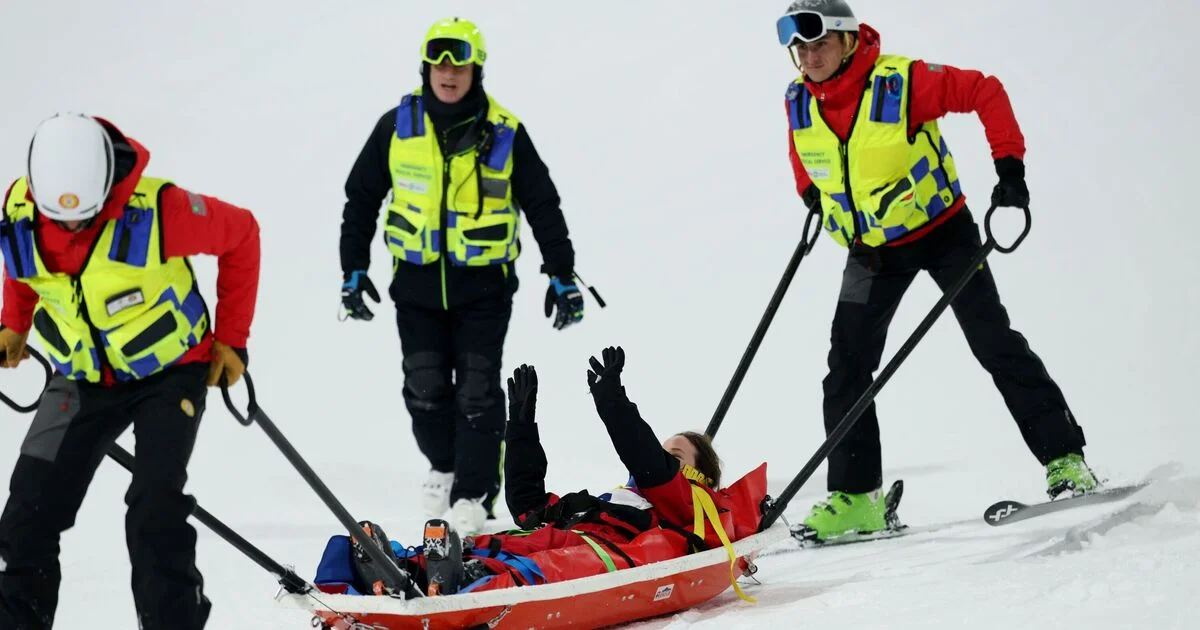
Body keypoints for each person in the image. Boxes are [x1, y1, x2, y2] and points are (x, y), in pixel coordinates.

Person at [774, 0, 1097, 541]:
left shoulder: (901, 83)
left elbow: (984, 91)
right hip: (871, 250)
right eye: (800, 48)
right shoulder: (798, 100)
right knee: (846, 367)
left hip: (943, 232)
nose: (810, 57)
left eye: (821, 43)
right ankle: (857, 498)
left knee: (993, 341)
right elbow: (802, 151)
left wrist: (1009, 169)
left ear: (849, 40)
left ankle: (1066, 460)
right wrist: (810, 193)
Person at [0, 112, 261, 629]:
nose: (72, 227)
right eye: (60, 218)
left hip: (169, 375)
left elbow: (242, 235)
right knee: (25, 518)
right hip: (79, 380)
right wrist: (14, 323)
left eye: (85, 215)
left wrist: (231, 339)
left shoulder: (158, 210)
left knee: (154, 509)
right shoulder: (21, 207)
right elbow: (24, 264)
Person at [337, 16, 588, 536]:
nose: (449, 73)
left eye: (460, 63)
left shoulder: (505, 133)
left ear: (477, 69)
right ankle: (446, 466)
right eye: (440, 62)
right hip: (416, 284)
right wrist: (353, 267)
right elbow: (361, 197)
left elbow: (542, 204)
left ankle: (474, 493)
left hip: (484, 289)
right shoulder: (396, 127)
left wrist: (561, 274)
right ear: (426, 67)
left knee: (477, 390)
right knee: (424, 387)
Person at [346, 348, 768, 597]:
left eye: (675, 455)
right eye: (663, 452)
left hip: (614, 558)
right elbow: (530, 508)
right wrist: (522, 428)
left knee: (557, 562)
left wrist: (613, 405)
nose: (663, 458)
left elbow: (650, 466)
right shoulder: (616, 503)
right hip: (581, 536)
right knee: (520, 540)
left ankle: (466, 580)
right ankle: (409, 568)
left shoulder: (697, 508)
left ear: (700, 477)